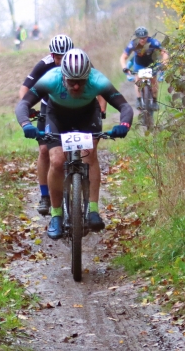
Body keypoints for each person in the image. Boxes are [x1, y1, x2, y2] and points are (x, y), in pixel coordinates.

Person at [15, 49, 133, 238]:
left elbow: (124, 106)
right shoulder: (50, 78)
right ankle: (56, 215)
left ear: (88, 76)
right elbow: (23, 104)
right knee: (56, 160)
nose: (76, 87)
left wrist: (124, 125)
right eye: (71, 82)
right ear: (63, 76)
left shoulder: (98, 80)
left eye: (81, 82)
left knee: (89, 153)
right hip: (57, 117)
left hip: (87, 116)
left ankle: (93, 209)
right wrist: (26, 124)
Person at [20, 34, 73, 216]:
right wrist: (28, 106)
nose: (61, 60)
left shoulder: (78, 61)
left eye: (65, 56)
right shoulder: (44, 64)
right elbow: (25, 88)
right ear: (52, 55)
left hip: (72, 109)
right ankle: (45, 196)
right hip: (47, 109)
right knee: (44, 151)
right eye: (58, 57)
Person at [119, 26, 169, 106]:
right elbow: (123, 57)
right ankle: (139, 100)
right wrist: (124, 67)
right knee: (138, 79)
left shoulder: (153, 42)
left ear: (147, 36)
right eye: (140, 38)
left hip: (151, 63)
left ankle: (155, 101)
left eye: (144, 38)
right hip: (139, 64)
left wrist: (164, 64)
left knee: (153, 81)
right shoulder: (133, 44)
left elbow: (164, 53)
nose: (142, 40)